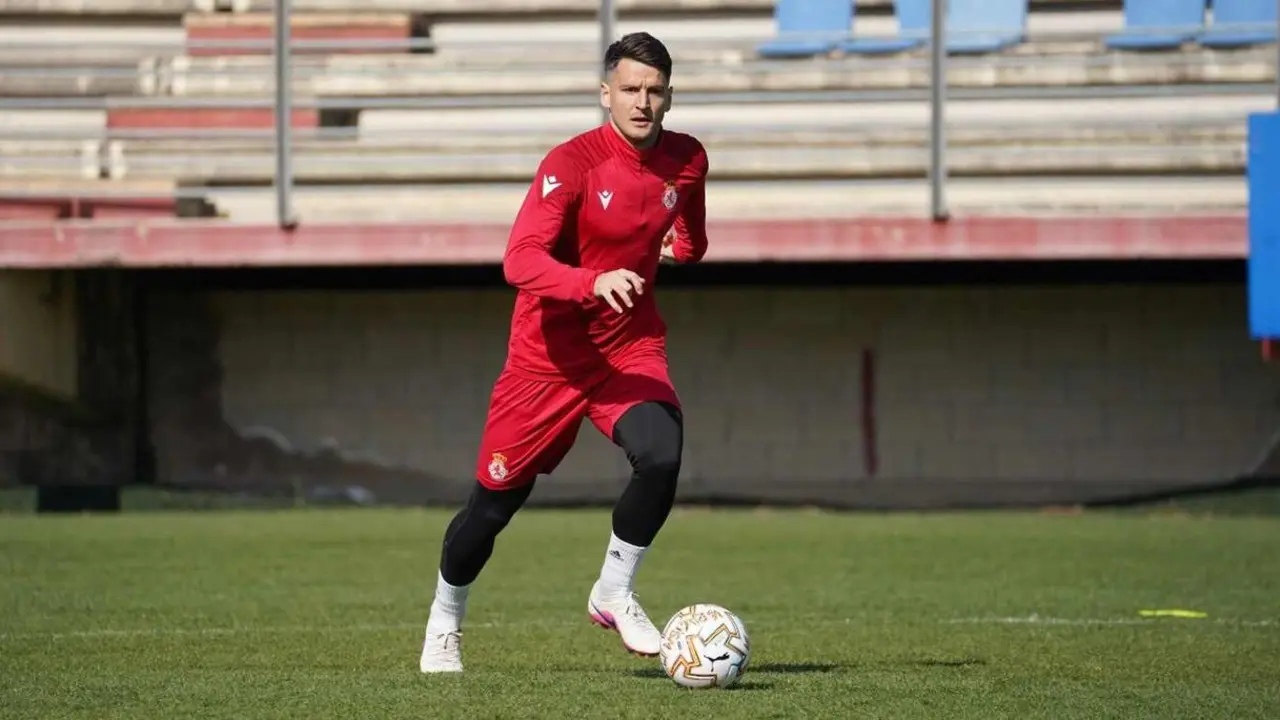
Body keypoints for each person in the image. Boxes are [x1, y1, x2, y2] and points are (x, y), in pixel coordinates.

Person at [418, 31, 709, 674]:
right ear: (606, 94)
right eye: (630, 89)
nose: (642, 102)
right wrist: (591, 281)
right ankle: (444, 621)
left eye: (654, 91)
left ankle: (613, 590)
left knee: (661, 453)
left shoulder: (687, 159)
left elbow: (688, 230)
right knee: (493, 507)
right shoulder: (571, 164)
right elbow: (519, 259)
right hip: (544, 360)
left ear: (670, 98)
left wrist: (682, 251)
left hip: (628, 347)